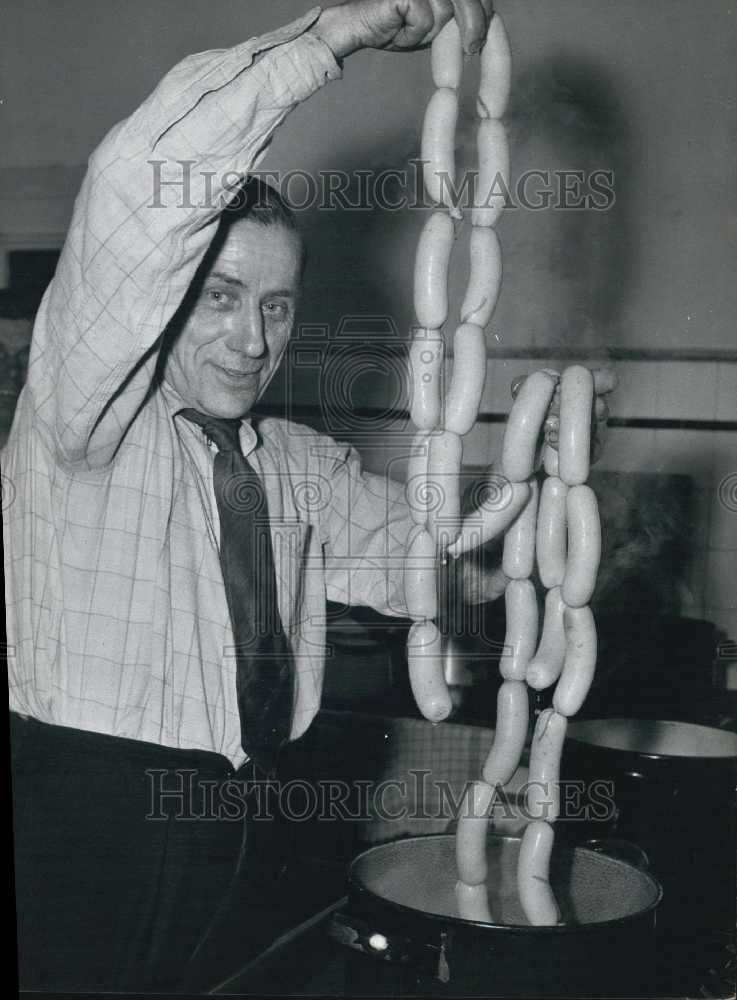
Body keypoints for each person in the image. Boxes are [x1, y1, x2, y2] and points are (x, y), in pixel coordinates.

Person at [3, 2, 503, 993]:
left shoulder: (294, 464)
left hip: (249, 814)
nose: (251, 338)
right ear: (165, 298)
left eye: (276, 305)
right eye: (220, 297)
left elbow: (432, 563)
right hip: (92, 824)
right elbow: (131, 191)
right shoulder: (79, 425)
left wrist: (534, 485)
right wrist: (326, 41)